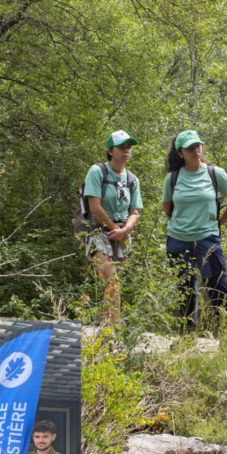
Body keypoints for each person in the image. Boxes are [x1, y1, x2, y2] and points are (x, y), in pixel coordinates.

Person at [162, 130, 227, 334]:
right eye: (190, 148)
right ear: (180, 153)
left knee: (217, 287)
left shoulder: (215, 173)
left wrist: (218, 223)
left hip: (207, 239)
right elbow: (168, 209)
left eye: (198, 146)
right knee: (184, 289)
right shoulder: (172, 178)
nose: (196, 150)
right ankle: (186, 336)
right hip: (178, 240)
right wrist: (184, 225)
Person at [81, 130, 143, 325]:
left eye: (129, 147)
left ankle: (106, 329)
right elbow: (94, 207)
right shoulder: (97, 171)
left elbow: (135, 212)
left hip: (123, 233)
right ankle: (115, 327)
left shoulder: (132, 179)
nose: (126, 151)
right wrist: (114, 229)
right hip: (98, 231)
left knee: (113, 283)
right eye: (121, 147)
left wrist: (125, 231)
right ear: (110, 150)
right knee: (111, 280)